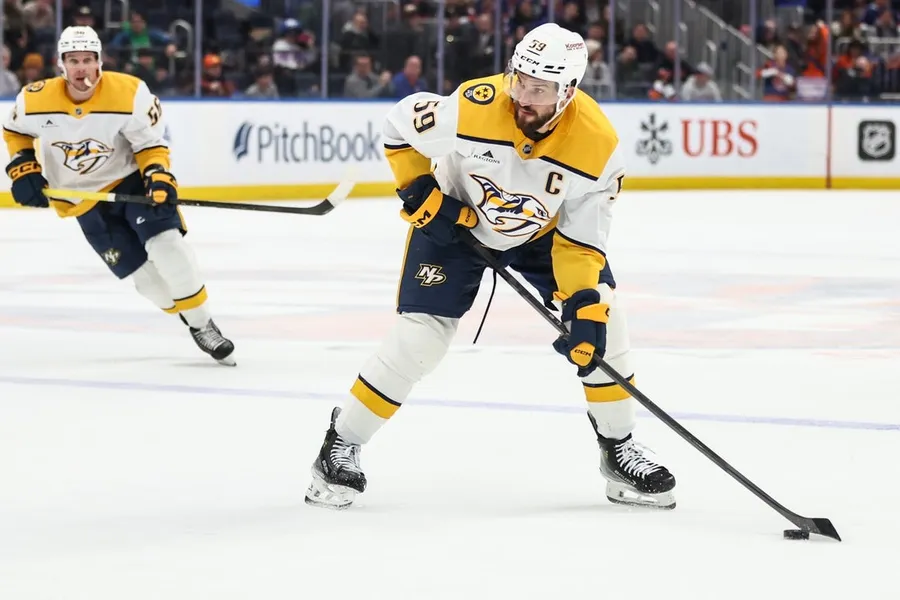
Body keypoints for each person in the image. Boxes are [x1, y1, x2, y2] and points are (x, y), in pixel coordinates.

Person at [304, 23, 676, 510]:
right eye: (519, 80)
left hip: (542, 236)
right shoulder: (474, 105)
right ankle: (341, 442)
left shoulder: (597, 147)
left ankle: (618, 447)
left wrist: (583, 305)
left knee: (605, 321)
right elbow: (399, 127)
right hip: (453, 222)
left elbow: (581, 243)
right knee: (419, 340)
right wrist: (420, 192)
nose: (522, 97)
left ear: (568, 91)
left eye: (539, 89)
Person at [2, 26, 235, 366]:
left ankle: (203, 325)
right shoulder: (34, 99)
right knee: (147, 282)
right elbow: (14, 132)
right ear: (61, 64)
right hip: (81, 199)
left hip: (129, 182)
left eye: (88, 59)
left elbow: (150, 145)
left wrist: (158, 176)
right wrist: (23, 168)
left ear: (100, 61)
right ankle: (189, 316)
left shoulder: (129, 93)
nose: (81, 68)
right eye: (73, 60)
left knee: (167, 245)